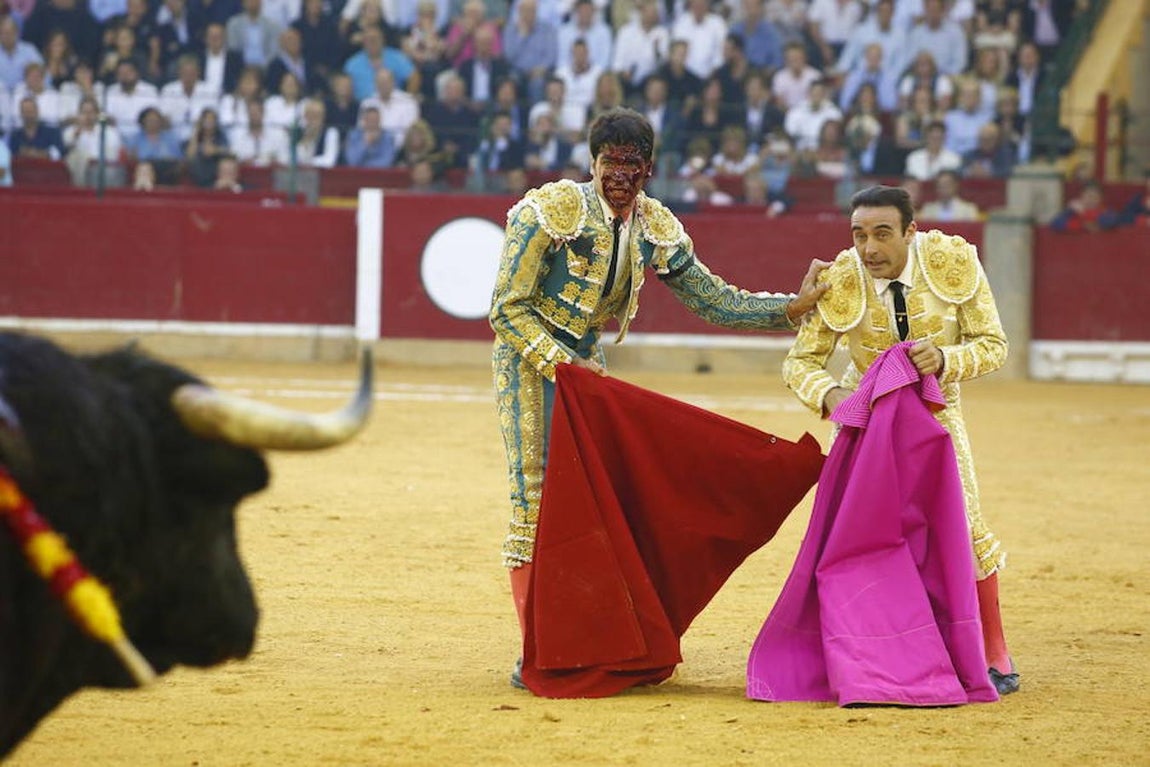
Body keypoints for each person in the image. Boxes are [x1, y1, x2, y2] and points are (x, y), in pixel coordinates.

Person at [489, 107, 828, 690]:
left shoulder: (653, 225)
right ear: (592, 162)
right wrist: (557, 363)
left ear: (648, 169)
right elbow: (506, 309)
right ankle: (535, 649)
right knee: (538, 497)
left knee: (596, 501)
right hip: (530, 364)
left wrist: (789, 309)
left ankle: (583, 636)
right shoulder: (551, 210)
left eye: (632, 164)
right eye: (609, 161)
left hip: (587, 371)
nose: (619, 174)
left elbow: (711, 298)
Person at [780, 184, 1018, 696]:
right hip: (870, 431)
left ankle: (993, 648)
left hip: (939, 420)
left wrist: (948, 361)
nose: (869, 249)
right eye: (860, 234)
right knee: (870, 541)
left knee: (966, 528)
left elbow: (994, 345)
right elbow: (800, 362)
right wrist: (836, 396)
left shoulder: (952, 261)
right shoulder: (841, 278)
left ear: (911, 231)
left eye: (883, 234)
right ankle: (882, 647)